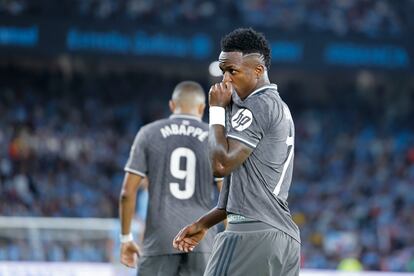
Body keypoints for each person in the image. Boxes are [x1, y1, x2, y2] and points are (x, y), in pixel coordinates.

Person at [173, 28, 301, 275]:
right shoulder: (278, 106)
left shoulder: (257, 105)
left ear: (258, 70)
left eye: (232, 71)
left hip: (251, 235)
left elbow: (221, 165)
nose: (226, 80)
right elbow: (247, 189)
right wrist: (204, 224)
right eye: (223, 72)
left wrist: (217, 111)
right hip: (283, 238)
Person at [119, 81, 221, 275]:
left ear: (172, 106)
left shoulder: (148, 133)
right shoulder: (213, 136)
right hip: (201, 242)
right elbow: (227, 195)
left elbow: (127, 192)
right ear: (201, 108)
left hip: (158, 240)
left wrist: (125, 239)